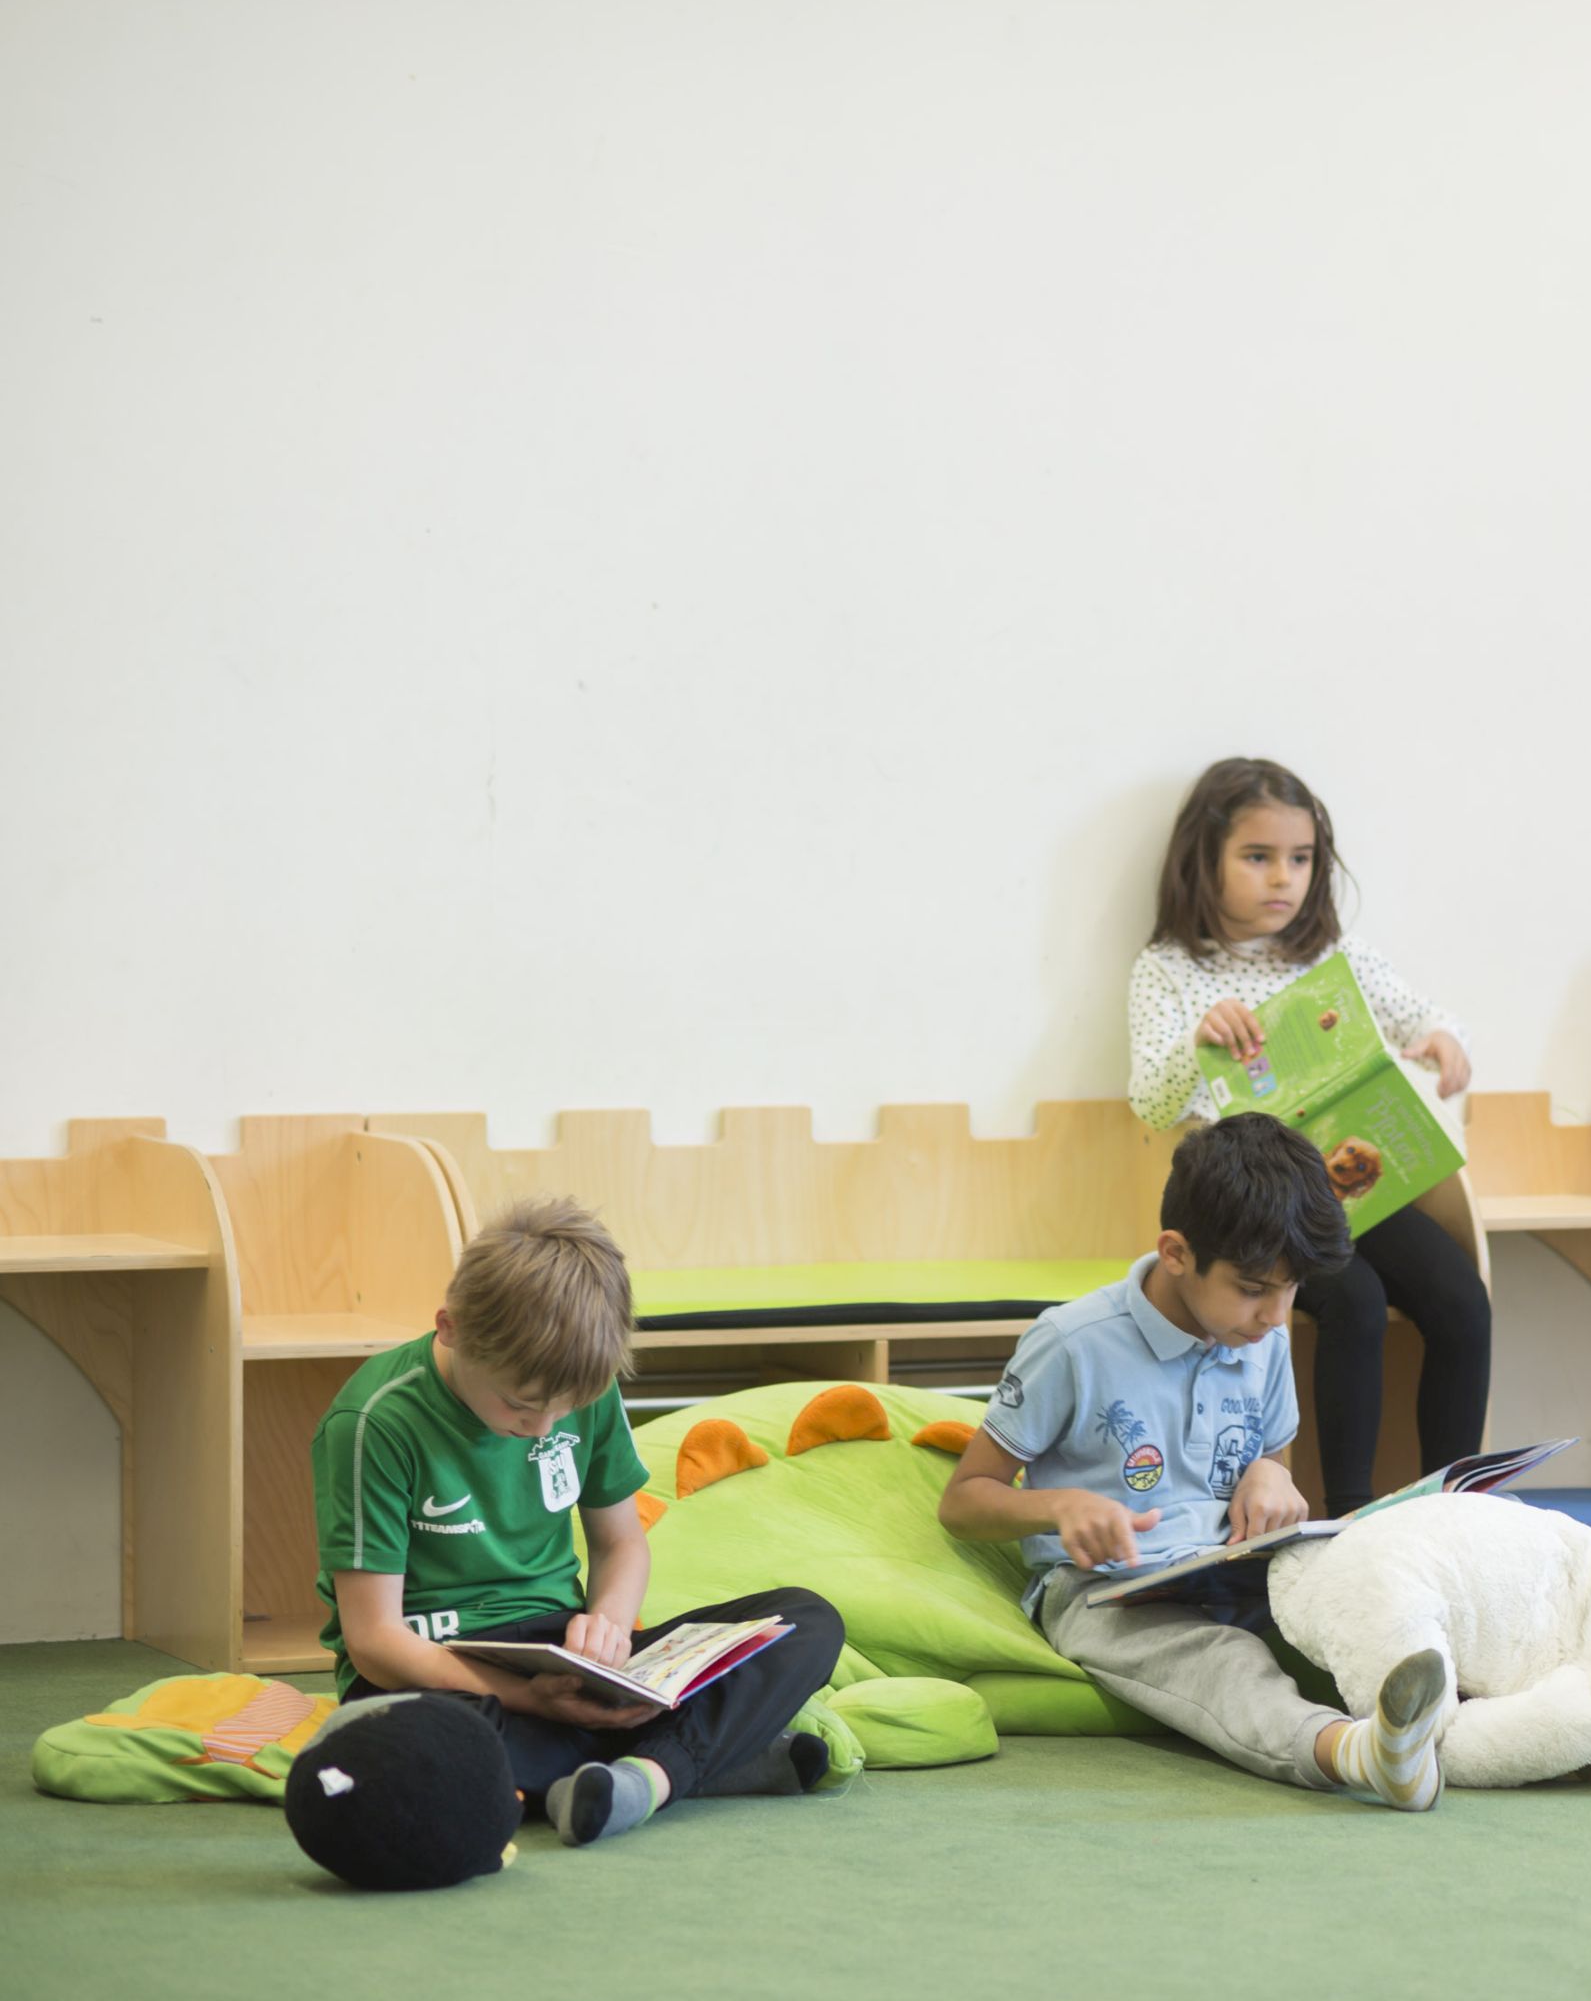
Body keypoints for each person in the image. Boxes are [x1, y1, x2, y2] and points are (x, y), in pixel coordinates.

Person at [935, 1113, 1452, 1809]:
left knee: (1376, 1595)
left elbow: (1271, 1452)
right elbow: (965, 1499)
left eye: (1291, 1289)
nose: (1275, 1315)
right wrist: (1059, 1506)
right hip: (1115, 1591)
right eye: (1253, 1288)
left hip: (1240, 1569)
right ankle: (1353, 1755)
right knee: (1221, 1662)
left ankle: (1499, 1719)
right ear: (1176, 1253)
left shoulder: (1259, 1337)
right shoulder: (1071, 1343)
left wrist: (1274, 1474)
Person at [313, 1198, 846, 1846]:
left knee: (803, 1619)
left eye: (565, 1411)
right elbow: (375, 1640)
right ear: (450, 1327)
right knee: (417, 1749)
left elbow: (621, 1545)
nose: (541, 1428)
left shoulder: (579, 1390)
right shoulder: (375, 1420)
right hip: (438, 1668)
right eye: (520, 1406)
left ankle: (642, 1776)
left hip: (558, 1652)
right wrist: (534, 1698)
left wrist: (610, 1630)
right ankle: (691, 1761)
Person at [1126, 756, 1490, 1517]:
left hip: (1354, 1186)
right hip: (1257, 1209)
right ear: (1205, 860)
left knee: (1461, 1295)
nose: (1282, 878)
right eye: (1257, 858)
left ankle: (1461, 1507)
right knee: (1353, 1300)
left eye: (1299, 859)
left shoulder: (1334, 955)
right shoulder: (1169, 971)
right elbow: (1153, 1106)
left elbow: (1427, 1015)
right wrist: (1198, 1039)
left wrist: (1443, 1042)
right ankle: (1350, 1513)